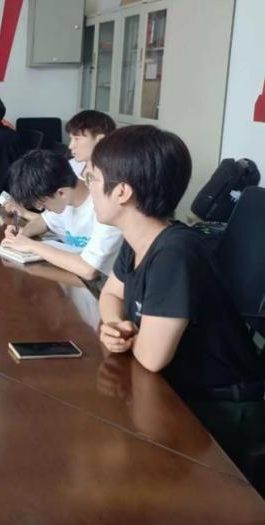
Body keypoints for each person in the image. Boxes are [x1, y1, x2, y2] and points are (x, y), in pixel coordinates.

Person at [90, 125, 265, 488]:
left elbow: (152, 358)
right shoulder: (137, 239)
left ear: (122, 192)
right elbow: (110, 295)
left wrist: (123, 336)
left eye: (92, 178)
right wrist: (114, 325)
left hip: (220, 406)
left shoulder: (175, 253)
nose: (88, 187)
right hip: (177, 388)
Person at [2, 149, 123, 280]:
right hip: (74, 280)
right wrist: (21, 236)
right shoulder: (66, 200)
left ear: (61, 193)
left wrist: (31, 245)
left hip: (99, 286)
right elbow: (43, 221)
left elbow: (89, 270)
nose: (41, 208)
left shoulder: (106, 209)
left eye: (41, 203)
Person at [65, 109, 116, 177]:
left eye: (77, 139)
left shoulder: (115, 175)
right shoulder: (70, 167)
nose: (70, 146)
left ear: (100, 140)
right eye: (71, 139)